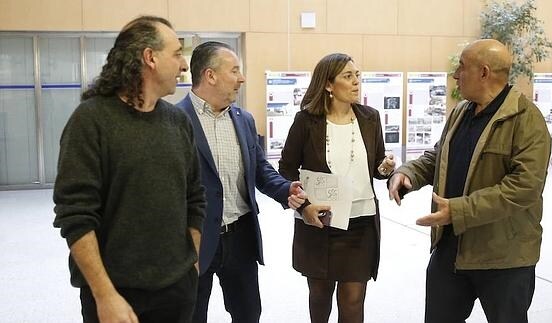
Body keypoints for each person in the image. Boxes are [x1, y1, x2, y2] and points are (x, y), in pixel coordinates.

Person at [53, 16, 205, 323]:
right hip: (116, 295)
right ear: (150, 58)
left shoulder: (178, 122)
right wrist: (104, 294)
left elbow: (195, 198)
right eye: (176, 54)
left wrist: (191, 265)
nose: (184, 65)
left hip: (177, 290)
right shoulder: (91, 121)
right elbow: (76, 216)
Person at [388, 39, 552, 323]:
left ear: (484, 73)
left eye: (462, 67)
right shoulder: (461, 112)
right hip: (451, 249)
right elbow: (440, 156)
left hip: (504, 257)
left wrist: (458, 211)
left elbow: (524, 188)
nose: (455, 75)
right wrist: (409, 173)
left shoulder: (527, 120)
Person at [175, 41, 306, 323]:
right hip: (194, 241)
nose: (242, 78)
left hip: (241, 238)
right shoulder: (174, 121)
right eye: (235, 70)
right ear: (210, 76)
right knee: (191, 315)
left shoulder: (243, 119)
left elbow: (260, 169)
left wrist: (286, 189)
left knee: (248, 314)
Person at [278, 53, 395, 323]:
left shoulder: (370, 118)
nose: (356, 82)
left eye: (358, 76)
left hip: (361, 223)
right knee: (319, 295)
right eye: (348, 76)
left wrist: (385, 168)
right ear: (329, 85)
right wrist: (303, 205)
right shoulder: (306, 121)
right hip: (321, 221)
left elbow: (377, 167)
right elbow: (286, 169)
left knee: (353, 300)